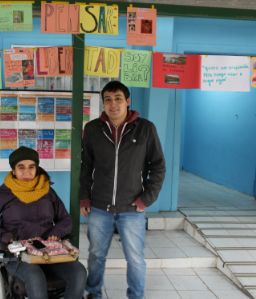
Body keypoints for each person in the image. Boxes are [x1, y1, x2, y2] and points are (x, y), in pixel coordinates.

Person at [79, 81, 166, 299]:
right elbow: (86, 166)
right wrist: (84, 197)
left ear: (128, 101)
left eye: (118, 98)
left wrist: (146, 199)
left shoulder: (146, 129)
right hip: (99, 206)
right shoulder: (92, 129)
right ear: (103, 103)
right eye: (108, 99)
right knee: (96, 255)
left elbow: (158, 166)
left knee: (135, 258)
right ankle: (93, 293)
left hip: (132, 208)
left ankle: (136, 296)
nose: (113, 104)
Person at [0, 146, 87, 299]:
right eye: (21, 167)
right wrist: (2, 235)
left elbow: (65, 220)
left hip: (49, 252)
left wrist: (56, 232)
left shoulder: (47, 191)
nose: (27, 172)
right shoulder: (3, 195)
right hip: (18, 255)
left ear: (36, 168)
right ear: (13, 170)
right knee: (35, 277)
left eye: (31, 167)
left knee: (79, 272)